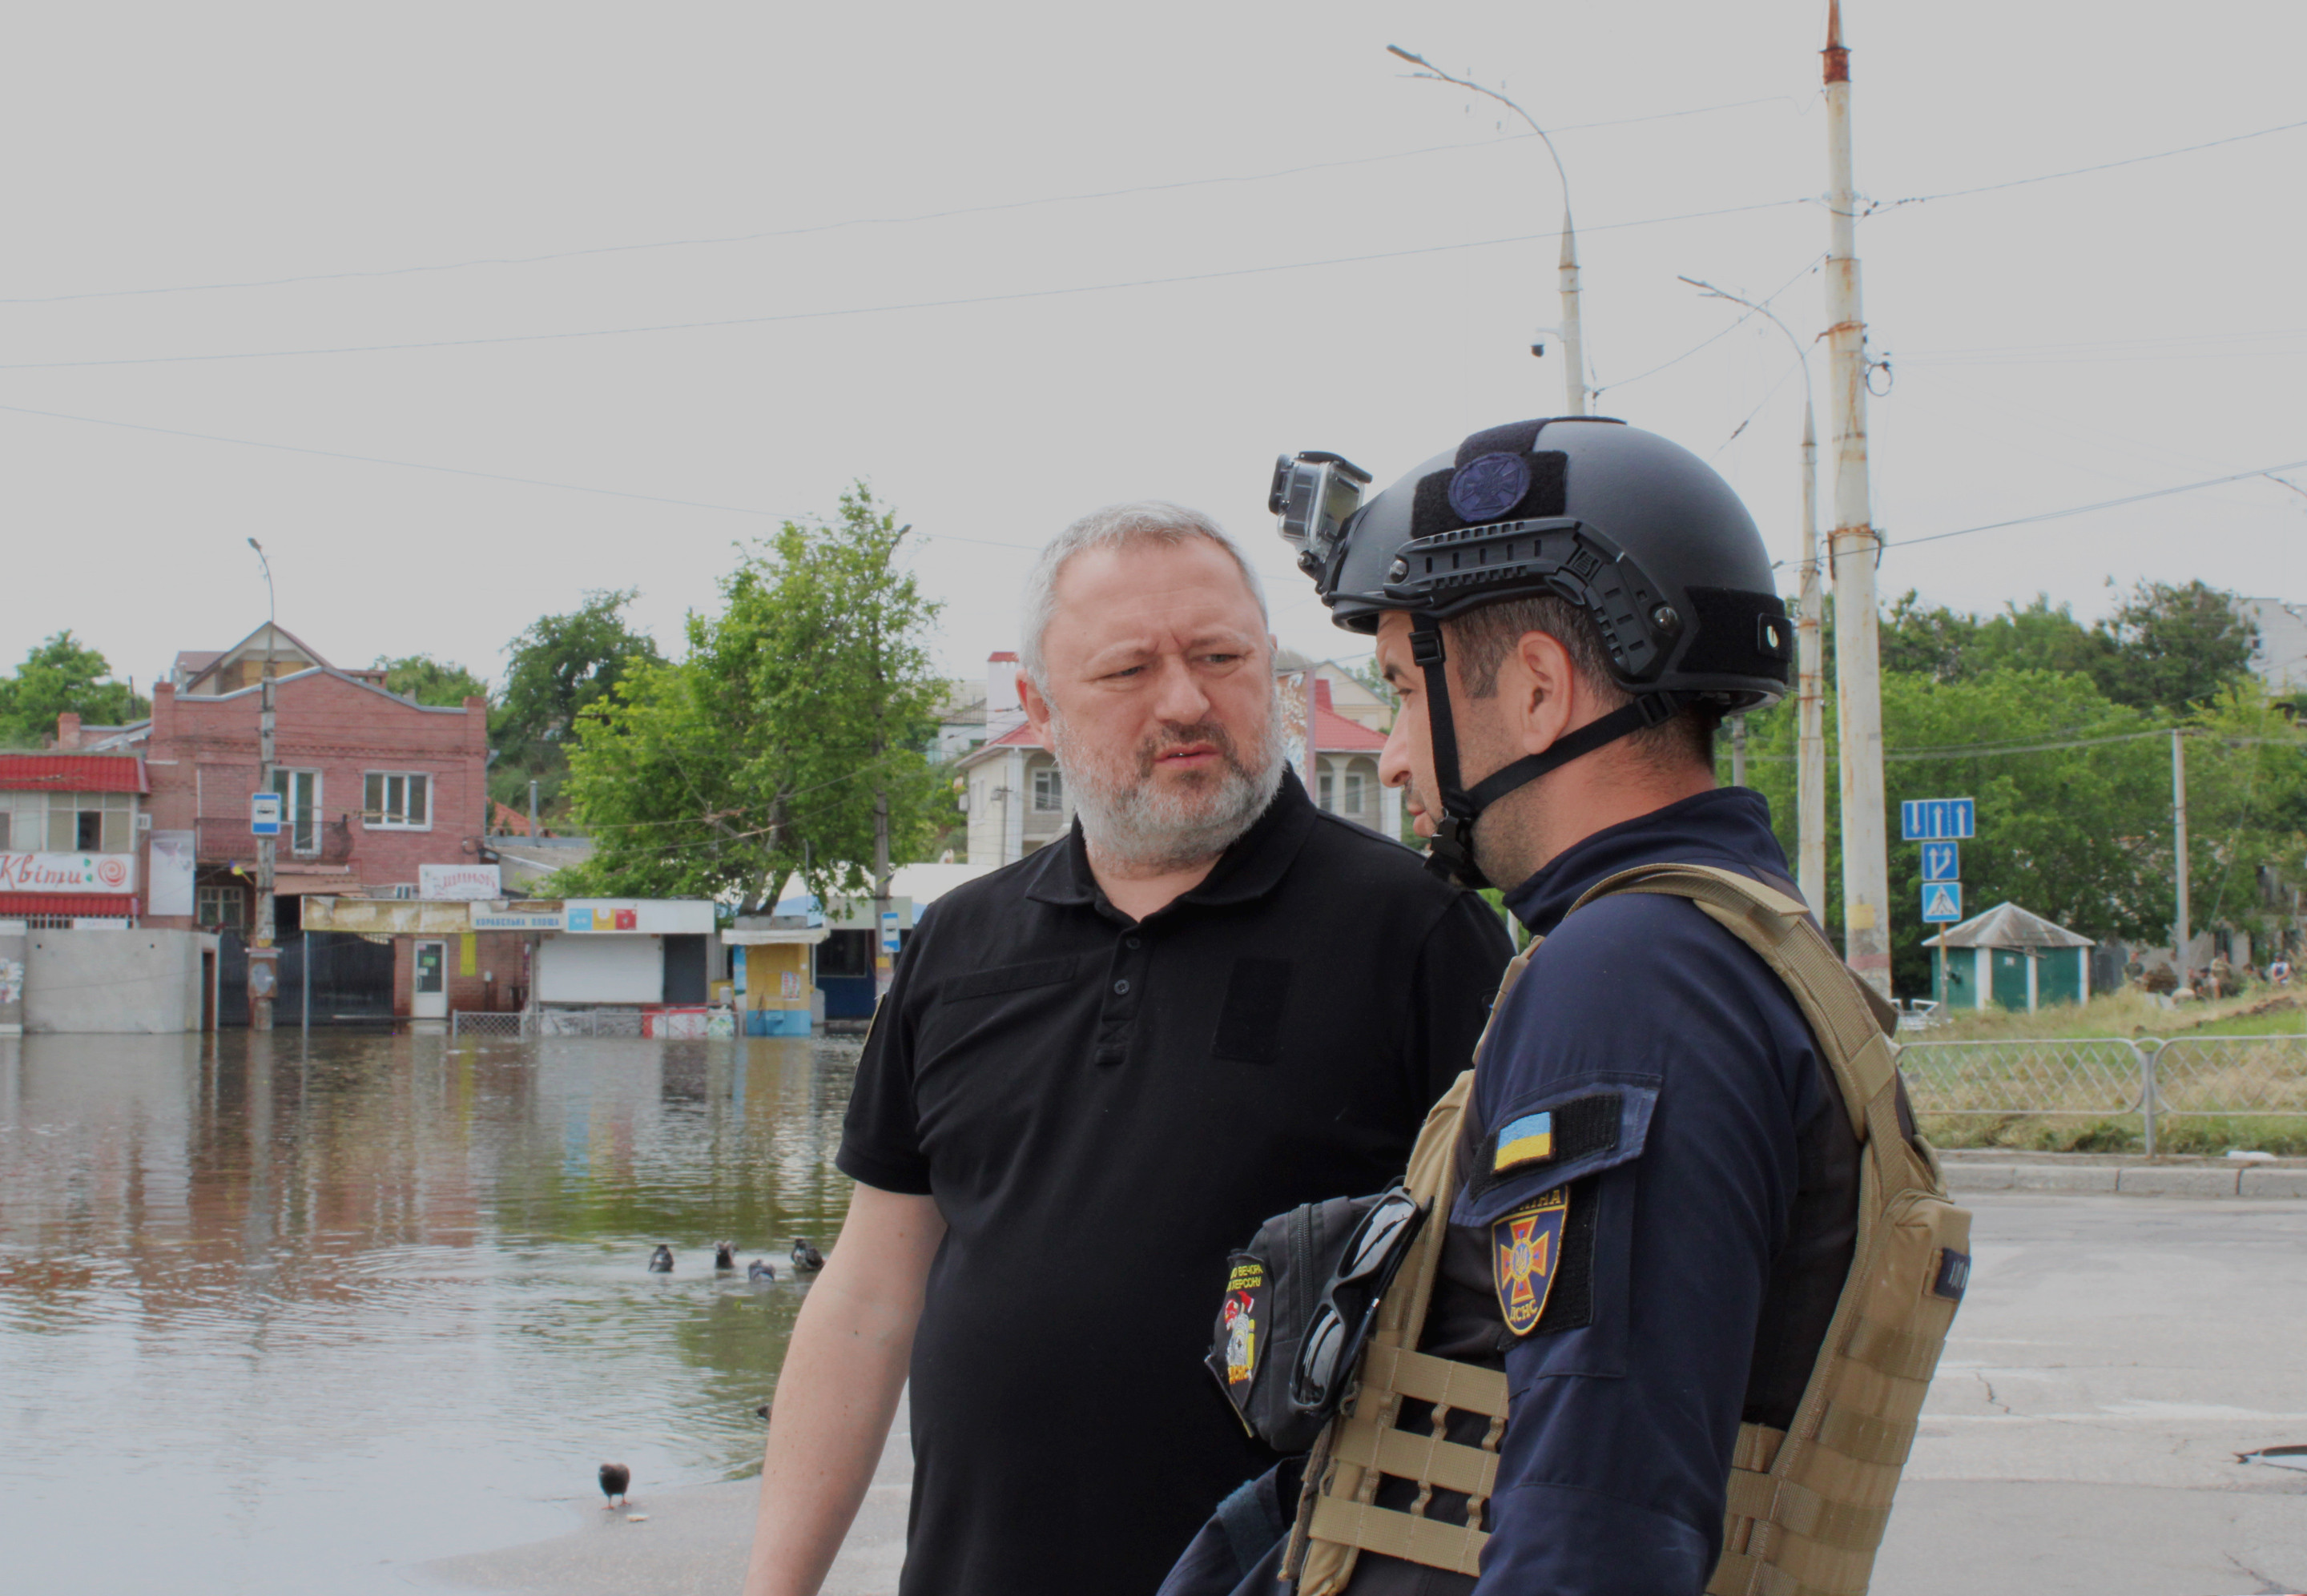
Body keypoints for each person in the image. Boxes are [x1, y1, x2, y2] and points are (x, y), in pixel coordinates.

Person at [1165, 416, 1947, 1595]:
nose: (1389, 758)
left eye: (1400, 692)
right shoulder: (1719, 944)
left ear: (1536, 689)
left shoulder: (1633, 973)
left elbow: (1597, 1527)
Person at [742, 502, 1515, 1596]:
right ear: (1039, 708)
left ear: (1276, 678)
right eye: (1127, 671)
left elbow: (1523, 1318)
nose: (1188, 700)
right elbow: (870, 1294)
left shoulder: (1417, 931)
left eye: (1221, 656)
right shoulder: (959, 943)